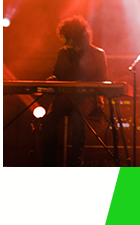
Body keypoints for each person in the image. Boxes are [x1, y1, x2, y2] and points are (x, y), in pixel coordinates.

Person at [42, 15, 108, 166]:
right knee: (49, 119)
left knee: (79, 117)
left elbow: (102, 79)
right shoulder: (63, 53)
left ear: (76, 37)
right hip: (67, 95)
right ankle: (49, 162)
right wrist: (53, 79)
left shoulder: (98, 54)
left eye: (67, 38)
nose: (64, 41)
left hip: (88, 97)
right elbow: (57, 75)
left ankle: (76, 162)